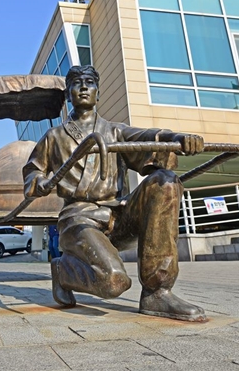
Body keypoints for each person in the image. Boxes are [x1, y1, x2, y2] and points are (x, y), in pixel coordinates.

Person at [23, 65, 206, 322]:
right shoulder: (54, 137)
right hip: (80, 219)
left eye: (89, 82)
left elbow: (148, 137)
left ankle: (157, 291)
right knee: (114, 282)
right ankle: (64, 271)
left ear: (98, 92)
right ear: (69, 94)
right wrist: (39, 181)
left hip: (118, 216)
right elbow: (33, 170)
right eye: (77, 83)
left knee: (164, 181)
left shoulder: (115, 132)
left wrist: (177, 138)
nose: (84, 87)